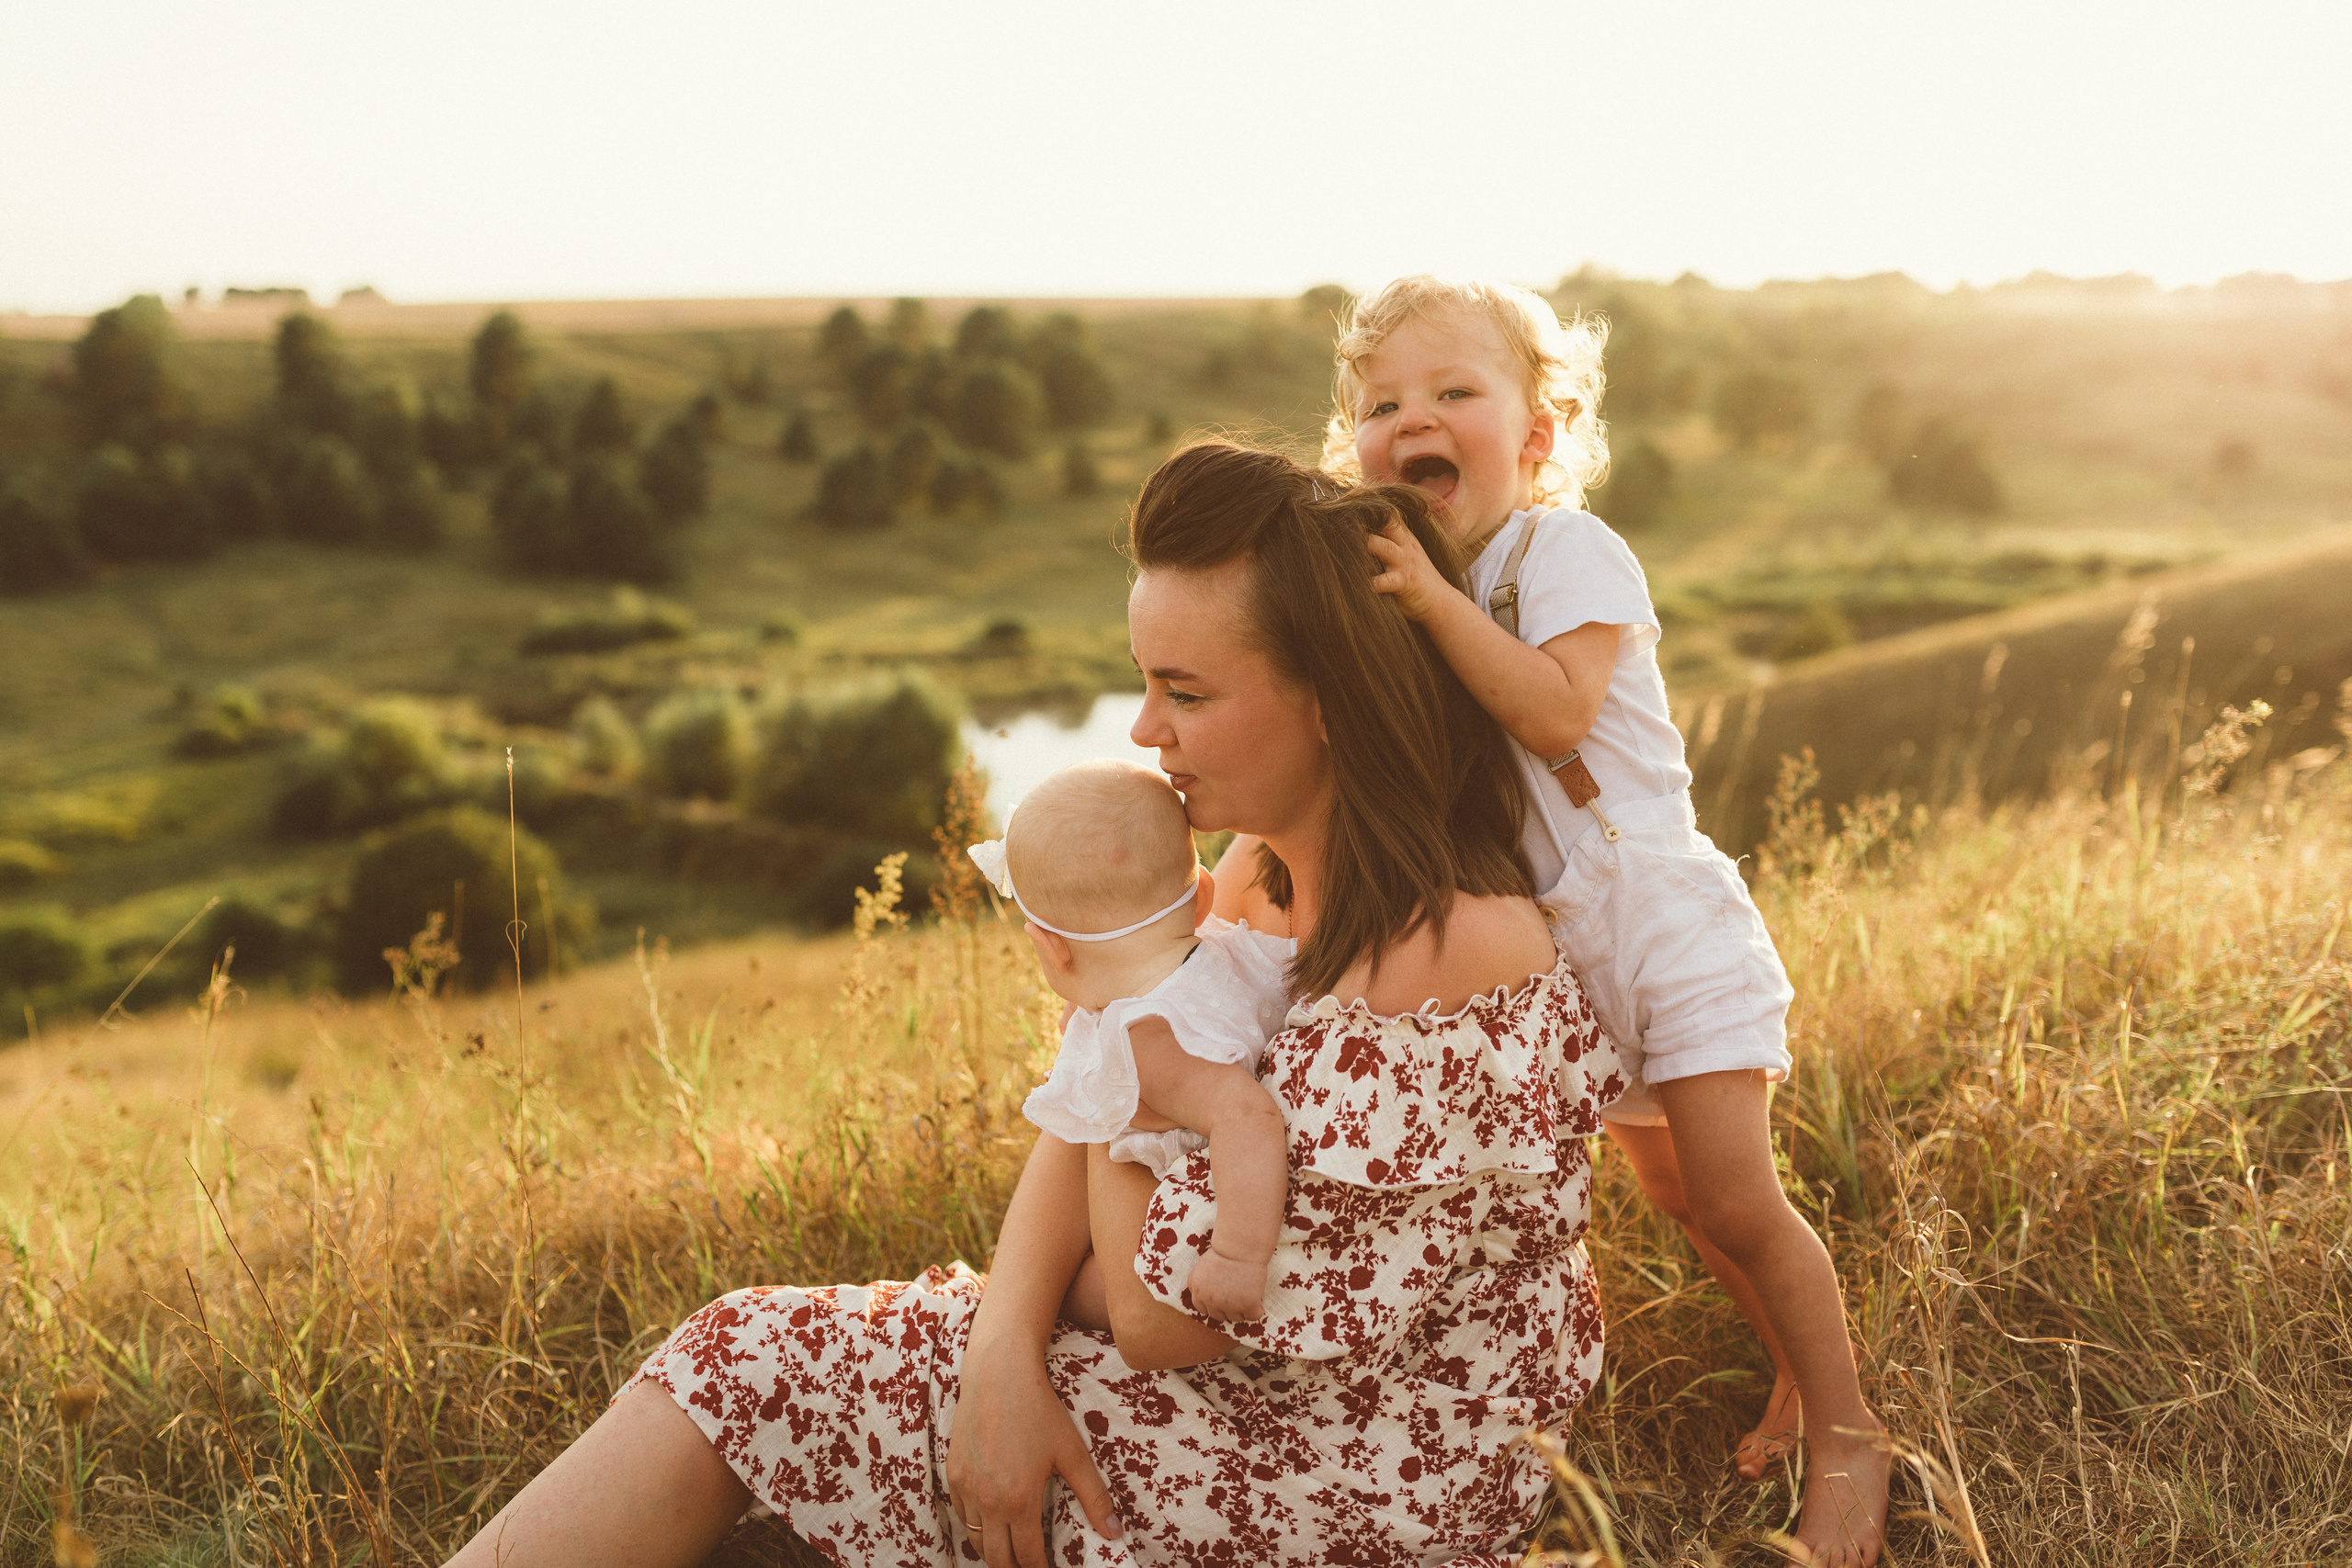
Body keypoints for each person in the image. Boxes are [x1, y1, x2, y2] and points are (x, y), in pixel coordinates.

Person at [440, 439, 1623, 1568]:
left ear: (1329, 701)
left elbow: (1163, 1313)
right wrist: (1005, 1349)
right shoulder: (1261, 877)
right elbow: (1091, 1127)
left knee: (757, 1361)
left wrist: (1117, 1045)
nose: (1147, 731)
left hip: (1350, 1478)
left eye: (1185, 692)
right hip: (1250, 1397)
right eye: (1142, 685)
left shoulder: (1439, 951)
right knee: (765, 1352)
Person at [1231, 272, 1889, 1566]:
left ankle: (1853, 1434)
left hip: (1658, 917)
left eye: (1455, 391)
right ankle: (1790, 1376)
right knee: (1683, 1197)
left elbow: (1551, 713)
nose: (1412, 415)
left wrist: (1427, 599)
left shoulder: (1562, 550)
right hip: (1571, 959)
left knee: (1744, 1197)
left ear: (1539, 432)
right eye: (1381, 403)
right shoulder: (1427, 590)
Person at [968, 759, 1295, 1323]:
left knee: (1069, 1297)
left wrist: (1239, 1258)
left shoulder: (1149, 1038)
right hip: (1196, 1205)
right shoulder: (1223, 949)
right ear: (1202, 899)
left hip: (1194, 1238)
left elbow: (1248, 1116)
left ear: (1052, 949)